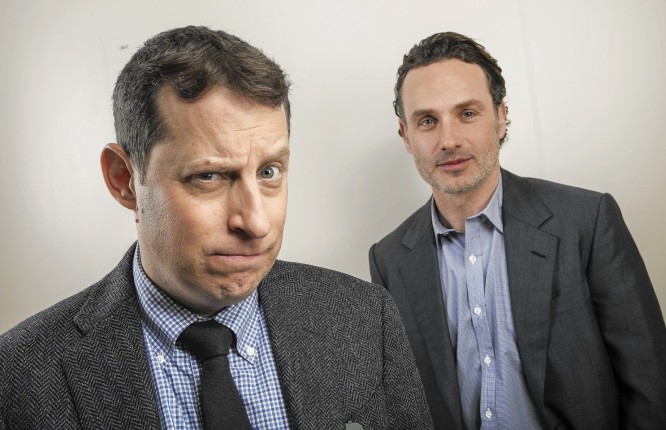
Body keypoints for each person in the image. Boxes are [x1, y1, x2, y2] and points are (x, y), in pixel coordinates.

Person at [0, 26, 433, 430]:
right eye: (209, 176)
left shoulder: (366, 318)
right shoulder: (21, 374)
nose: (256, 223)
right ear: (124, 179)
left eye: (269, 172)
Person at [369, 31, 666, 429]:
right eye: (427, 121)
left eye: (467, 113)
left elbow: (651, 390)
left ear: (500, 117)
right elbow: (405, 407)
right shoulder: (389, 261)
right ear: (406, 136)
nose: (449, 140)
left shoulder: (587, 221)